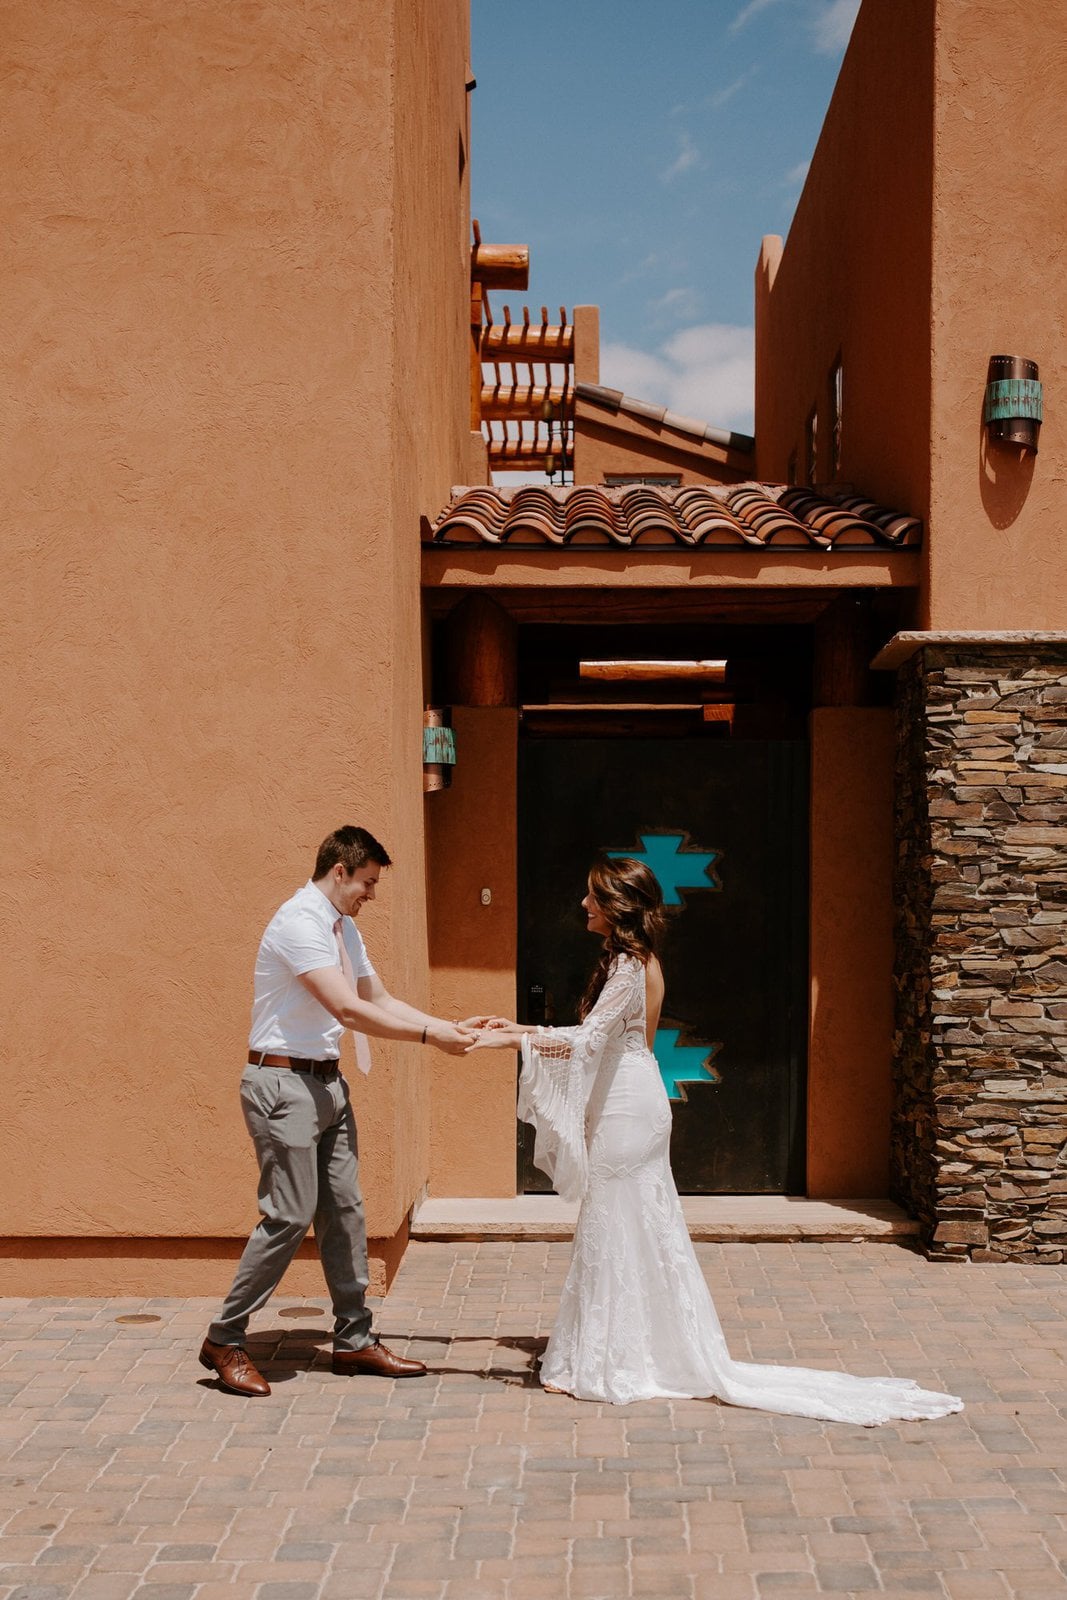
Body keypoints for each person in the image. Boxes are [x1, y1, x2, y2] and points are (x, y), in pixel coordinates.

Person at [471, 856, 963, 1424]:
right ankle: (624, 1344)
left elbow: (588, 1044)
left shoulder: (631, 966)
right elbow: (596, 1039)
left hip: (627, 1110)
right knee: (625, 1222)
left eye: (591, 896)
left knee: (615, 1220)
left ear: (616, 906)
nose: (583, 905)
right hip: (630, 1099)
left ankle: (614, 1356)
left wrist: (509, 1043)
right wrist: (516, 1029)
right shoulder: (631, 961)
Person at [199, 825, 477, 1397]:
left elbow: (377, 998)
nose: (371, 895)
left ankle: (353, 1341)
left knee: (346, 1212)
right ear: (341, 870)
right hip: (282, 1084)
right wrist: (430, 1039)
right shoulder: (299, 923)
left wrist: (448, 1027)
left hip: (327, 1086)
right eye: (368, 883)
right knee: (289, 1215)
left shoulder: (342, 928)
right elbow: (348, 1010)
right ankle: (224, 1338)